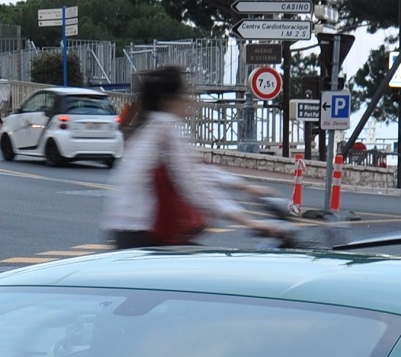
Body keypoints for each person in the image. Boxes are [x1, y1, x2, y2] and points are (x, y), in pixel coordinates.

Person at [104, 66, 289, 248]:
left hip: (130, 231)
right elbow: (194, 184)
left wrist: (246, 187)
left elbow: (196, 169)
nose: (189, 99)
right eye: (185, 93)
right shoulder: (166, 129)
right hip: (143, 235)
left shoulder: (150, 127)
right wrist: (249, 221)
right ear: (170, 100)